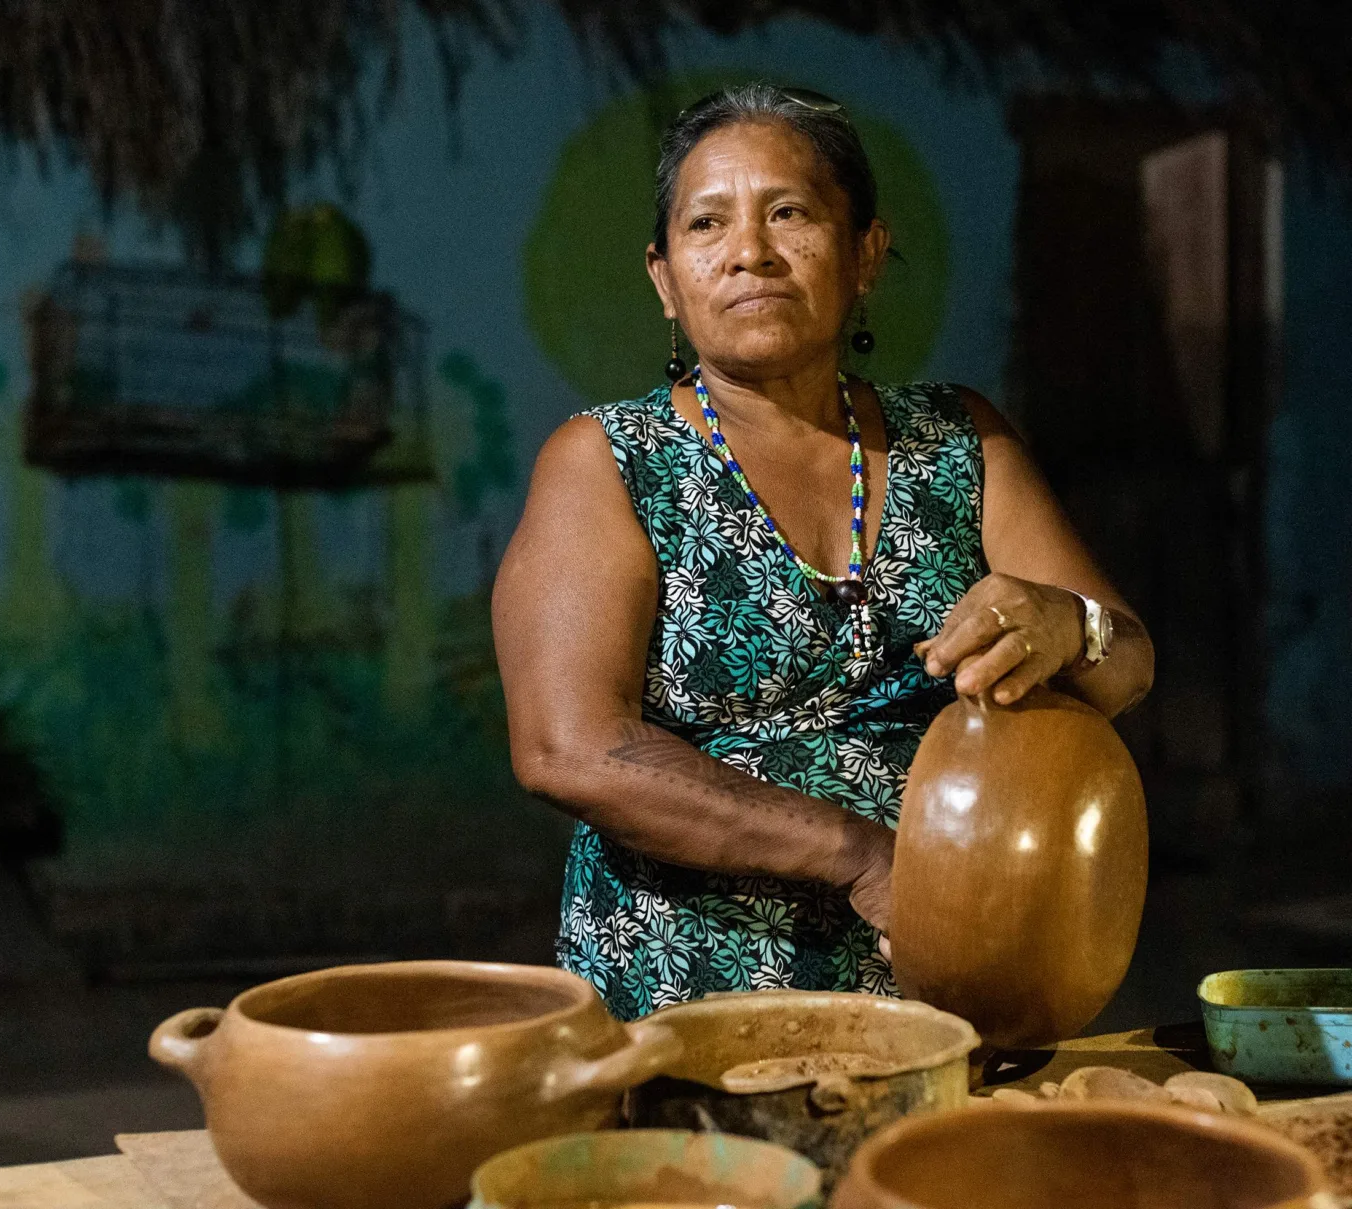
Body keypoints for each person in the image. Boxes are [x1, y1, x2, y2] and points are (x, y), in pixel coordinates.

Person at [492, 83, 1154, 1021]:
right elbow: (570, 749)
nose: (750, 253)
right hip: (695, 991)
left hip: (948, 973)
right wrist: (863, 856)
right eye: (707, 225)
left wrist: (1069, 625)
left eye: (790, 213)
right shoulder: (608, 461)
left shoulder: (961, 440)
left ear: (866, 254)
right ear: (664, 279)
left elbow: (1126, 660)